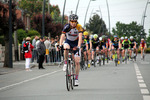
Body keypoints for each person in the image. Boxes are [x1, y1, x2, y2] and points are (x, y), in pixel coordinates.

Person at [59, 14, 83, 86]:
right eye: (72, 21)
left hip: (76, 43)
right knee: (65, 47)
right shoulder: (67, 26)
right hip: (68, 42)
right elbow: (62, 36)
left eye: (75, 21)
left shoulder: (79, 27)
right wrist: (60, 45)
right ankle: (65, 63)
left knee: (77, 62)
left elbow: (80, 37)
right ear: (69, 21)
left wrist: (78, 46)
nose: (73, 23)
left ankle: (76, 79)